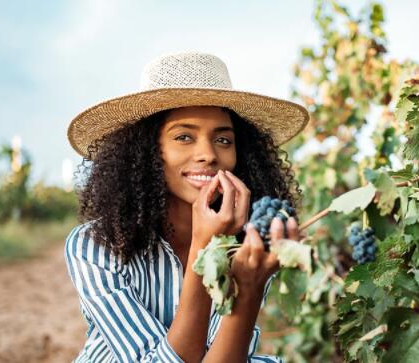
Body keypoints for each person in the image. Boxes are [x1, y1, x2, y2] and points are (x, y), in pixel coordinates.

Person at [64, 51, 309, 362]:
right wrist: (203, 247)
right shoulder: (94, 245)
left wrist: (248, 291)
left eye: (223, 140)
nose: (208, 154)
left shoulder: (249, 245)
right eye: (183, 137)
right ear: (147, 151)